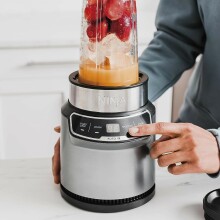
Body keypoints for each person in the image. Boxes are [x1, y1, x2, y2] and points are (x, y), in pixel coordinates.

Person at [52, 0, 220, 184]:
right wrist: (105, 106)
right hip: (192, 146)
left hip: (208, 150)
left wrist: (218, 145)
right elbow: (177, 39)